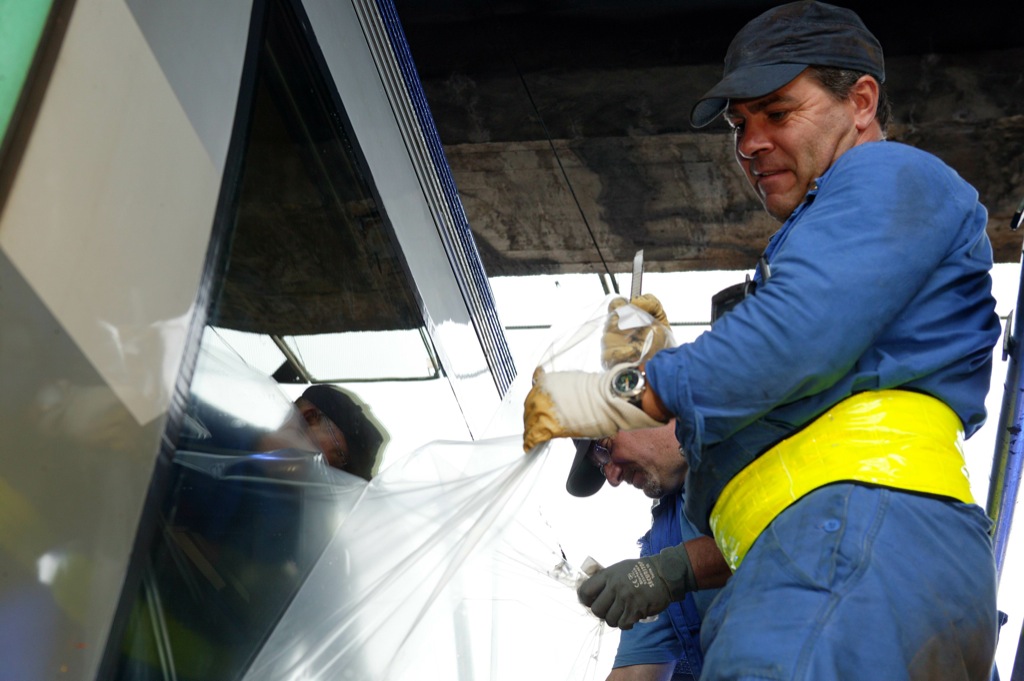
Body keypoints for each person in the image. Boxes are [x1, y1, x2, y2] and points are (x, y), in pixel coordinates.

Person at [523, 2, 1002, 678]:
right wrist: (674, 569)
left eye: (777, 113)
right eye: (739, 124)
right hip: (845, 558)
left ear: (862, 101)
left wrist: (615, 394)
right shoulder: (851, 225)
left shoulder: (885, 174)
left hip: (843, 555)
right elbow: (793, 452)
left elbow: (793, 332)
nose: (749, 143)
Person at [568, 424, 731, 681]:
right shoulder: (662, 546)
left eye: (605, 449)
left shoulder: (748, 427)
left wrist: (672, 570)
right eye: (602, 466)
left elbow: (778, 530)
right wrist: (658, 575)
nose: (612, 478)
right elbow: (633, 674)